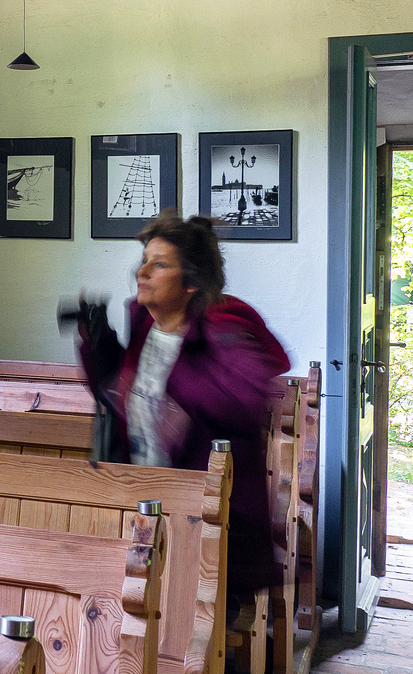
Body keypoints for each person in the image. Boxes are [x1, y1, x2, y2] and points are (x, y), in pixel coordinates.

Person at [75, 209, 289, 602]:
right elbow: (118, 396)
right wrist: (98, 342)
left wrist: (176, 387)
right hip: (146, 501)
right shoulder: (146, 326)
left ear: (190, 281)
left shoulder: (226, 326)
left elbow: (243, 401)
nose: (142, 273)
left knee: (191, 638)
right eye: (144, 262)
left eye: (159, 265)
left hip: (210, 517)